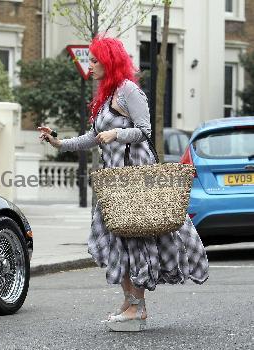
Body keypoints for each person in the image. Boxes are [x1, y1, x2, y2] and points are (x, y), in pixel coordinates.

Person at [38, 35, 209, 332]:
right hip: (114, 180)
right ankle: (130, 303)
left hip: (135, 176)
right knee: (119, 239)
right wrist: (58, 142)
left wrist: (117, 135)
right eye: (89, 60)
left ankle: (137, 308)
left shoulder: (129, 90)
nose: (90, 66)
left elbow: (144, 131)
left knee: (135, 237)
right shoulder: (106, 94)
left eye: (95, 60)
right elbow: (92, 137)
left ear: (110, 61)